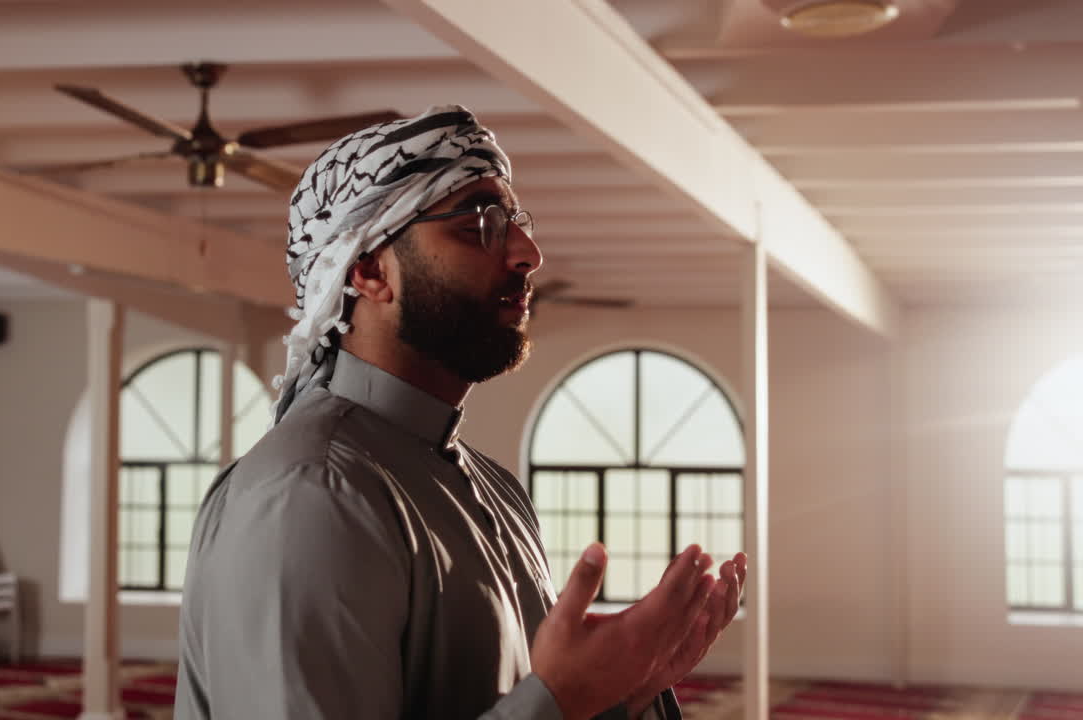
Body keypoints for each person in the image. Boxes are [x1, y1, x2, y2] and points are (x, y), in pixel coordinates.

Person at [175, 105, 746, 720]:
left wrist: (627, 691)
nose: (528, 253)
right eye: (480, 224)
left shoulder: (494, 488)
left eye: (515, 224)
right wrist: (560, 700)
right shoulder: (312, 491)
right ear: (369, 270)